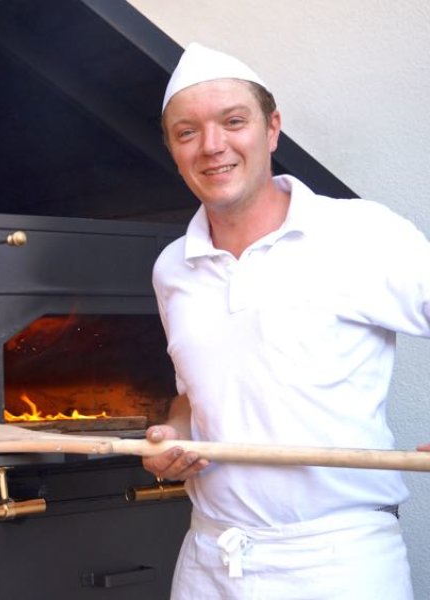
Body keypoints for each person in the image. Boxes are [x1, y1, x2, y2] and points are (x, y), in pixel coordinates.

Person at [143, 42, 430, 599]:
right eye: (187, 133)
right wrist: (175, 435)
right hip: (210, 560)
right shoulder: (172, 268)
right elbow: (194, 393)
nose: (213, 147)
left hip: (339, 561)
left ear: (272, 129)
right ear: (173, 150)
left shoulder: (363, 233)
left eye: (234, 122)